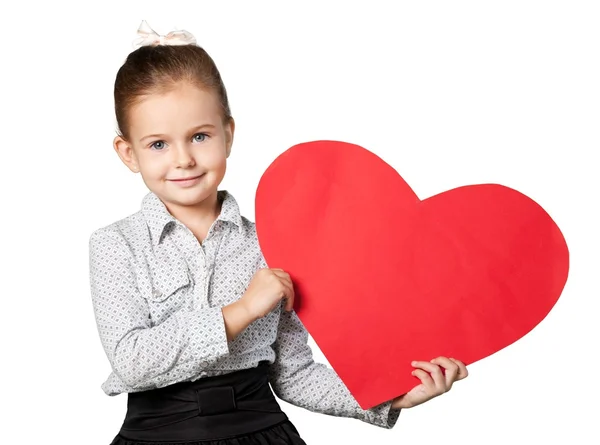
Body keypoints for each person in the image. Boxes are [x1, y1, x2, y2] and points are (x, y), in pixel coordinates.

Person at [89, 21, 469, 445]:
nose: (184, 160)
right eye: (158, 144)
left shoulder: (271, 243)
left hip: (261, 434)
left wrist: (391, 396)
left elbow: (294, 375)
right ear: (128, 153)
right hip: (155, 438)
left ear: (228, 134)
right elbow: (132, 362)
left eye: (199, 136)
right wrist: (245, 308)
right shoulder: (115, 245)